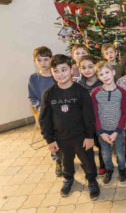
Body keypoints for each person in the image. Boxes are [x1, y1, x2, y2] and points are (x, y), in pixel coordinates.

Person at [39, 54, 100, 200]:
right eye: (56, 70)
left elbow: (89, 116)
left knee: (88, 161)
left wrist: (90, 136)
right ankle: (68, 179)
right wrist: (49, 140)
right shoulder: (49, 94)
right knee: (65, 161)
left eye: (64, 69)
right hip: (60, 138)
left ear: (71, 70)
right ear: (52, 72)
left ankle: (91, 180)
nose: (60, 74)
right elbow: (44, 119)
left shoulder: (82, 91)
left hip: (82, 137)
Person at [91, 61, 126, 184]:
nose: (105, 76)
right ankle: (109, 169)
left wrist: (117, 131)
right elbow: (94, 114)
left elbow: (124, 113)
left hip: (117, 130)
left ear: (113, 72)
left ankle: (122, 169)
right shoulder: (95, 93)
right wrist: (100, 132)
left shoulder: (121, 92)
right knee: (105, 153)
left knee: (119, 152)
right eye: (101, 74)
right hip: (102, 131)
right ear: (98, 77)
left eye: (107, 72)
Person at [28, 46, 61, 177]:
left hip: (60, 112)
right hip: (46, 115)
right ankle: (57, 160)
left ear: (51, 59)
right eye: (39, 60)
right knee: (51, 137)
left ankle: (66, 156)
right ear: (34, 62)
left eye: (46, 59)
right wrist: (40, 107)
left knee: (62, 135)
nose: (43, 63)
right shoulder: (33, 78)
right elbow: (32, 97)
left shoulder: (57, 75)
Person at [76, 55, 106, 176]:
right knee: (87, 145)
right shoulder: (78, 84)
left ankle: (103, 163)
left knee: (101, 144)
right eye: (83, 67)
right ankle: (89, 166)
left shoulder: (103, 81)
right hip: (85, 122)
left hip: (100, 121)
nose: (87, 70)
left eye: (90, 66)